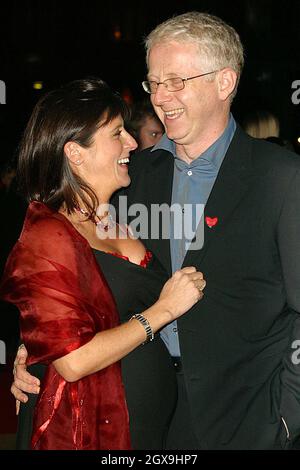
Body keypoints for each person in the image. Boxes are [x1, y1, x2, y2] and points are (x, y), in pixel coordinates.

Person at [12, 11, 300, 450]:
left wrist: (285, 417)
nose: (161, 97)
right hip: (137, 417)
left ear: (225, 82)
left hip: (246, 418)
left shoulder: (281, 177)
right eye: (154, 82)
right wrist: (34, 345)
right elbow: (73, 277)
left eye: (176, 81)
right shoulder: (129, 177)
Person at [0, 78, 205, 450]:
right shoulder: (49, 231)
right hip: (85, 428)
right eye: (117, 134)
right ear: (75, 153)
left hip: (157, 422)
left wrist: (34, 341)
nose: (132, 142)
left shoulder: (124, 207)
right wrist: (162, 311)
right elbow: (73, 360)